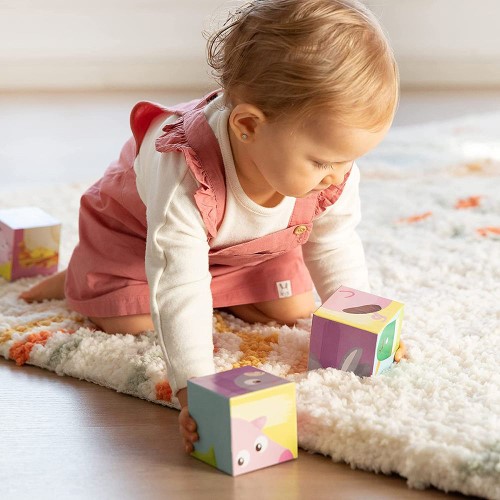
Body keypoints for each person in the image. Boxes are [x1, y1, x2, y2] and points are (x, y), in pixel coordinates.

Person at [20, 0, 406, 454]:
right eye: (323, 161)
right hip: (142, 241)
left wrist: (363, 324)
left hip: (248, 248)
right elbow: (179, 282)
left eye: (350, 159)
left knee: (295, 307)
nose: (338, 175)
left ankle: (221, 290)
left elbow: (334, 240)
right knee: (131, 318)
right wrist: (194, 388)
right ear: (248, 126)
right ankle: (85, 272)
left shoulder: (331, 168)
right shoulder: (185, 175)